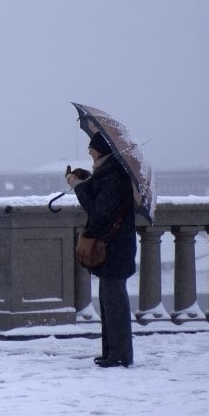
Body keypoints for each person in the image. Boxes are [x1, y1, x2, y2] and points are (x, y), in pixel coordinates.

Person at [66, 131, 137, 368]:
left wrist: (78, 187)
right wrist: (85, 180)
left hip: (114, 248)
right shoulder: (110, 173)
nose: (89, 151)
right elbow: (101, 197)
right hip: (116, 247)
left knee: (114, 303)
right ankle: (112, 353)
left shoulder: (114, 176)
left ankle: (119, 354)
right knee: (109, 303)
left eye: (92, 147)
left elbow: (98, 212)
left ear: (102, 151)